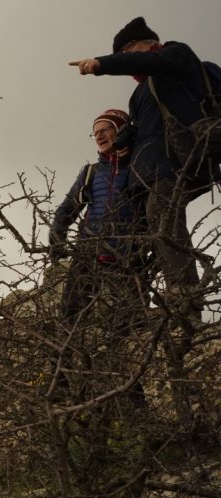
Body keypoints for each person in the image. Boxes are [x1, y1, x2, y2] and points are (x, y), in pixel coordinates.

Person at [69, 16, 216, 324]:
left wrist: (102, 64)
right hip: (147, 175)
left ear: (140, 46)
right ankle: (152, 309)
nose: (127, 62)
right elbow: (145, 129)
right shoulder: (139, 94)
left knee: (163, 219)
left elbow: (155, 64)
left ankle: (185, 303)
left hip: (178, 163)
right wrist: (125, 137)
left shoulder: (177, 55)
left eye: (127, 53)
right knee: (153, 233)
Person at [50, 108, 148, 321]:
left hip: (129, 258)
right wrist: (57, 238)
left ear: (121, 131)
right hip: (88, 254)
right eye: (95, 133)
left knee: (133, 322)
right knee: (71, 316)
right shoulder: (91, 173)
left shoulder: (142, 167)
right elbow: (67, 209)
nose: (99, 136)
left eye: (106, 130)